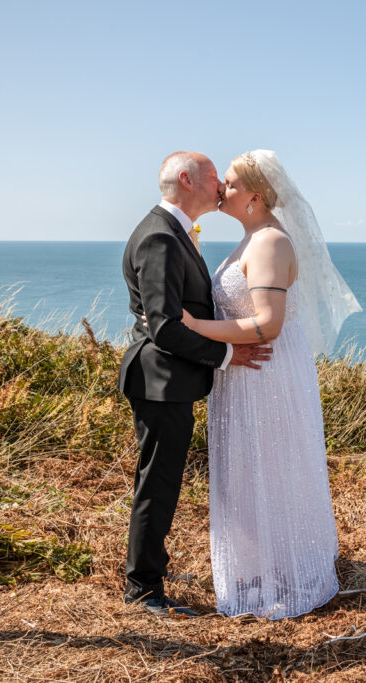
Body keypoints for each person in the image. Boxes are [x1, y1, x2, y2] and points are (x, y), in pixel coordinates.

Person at [180, 150, 361, 619]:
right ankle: (260, 566)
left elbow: (268, 324)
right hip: (241, 374)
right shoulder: (249, 239)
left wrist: (194, 328)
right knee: (245, 469)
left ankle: (289, 571)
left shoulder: (269, 244)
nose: (223, 189)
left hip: (266, 374)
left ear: (255, 196)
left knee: (273, 465)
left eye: (233, 183)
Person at [118, 151, 272, 617]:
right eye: (213, 178)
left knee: (161, 481)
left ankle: (149, 572)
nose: (221, 188)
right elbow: (164, 327)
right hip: (160, 381)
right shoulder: (161, 238)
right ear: (187, 180)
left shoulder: (174, 233)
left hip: (170, 381)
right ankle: (143, 589)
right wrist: (227, 353)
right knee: (158, 484)